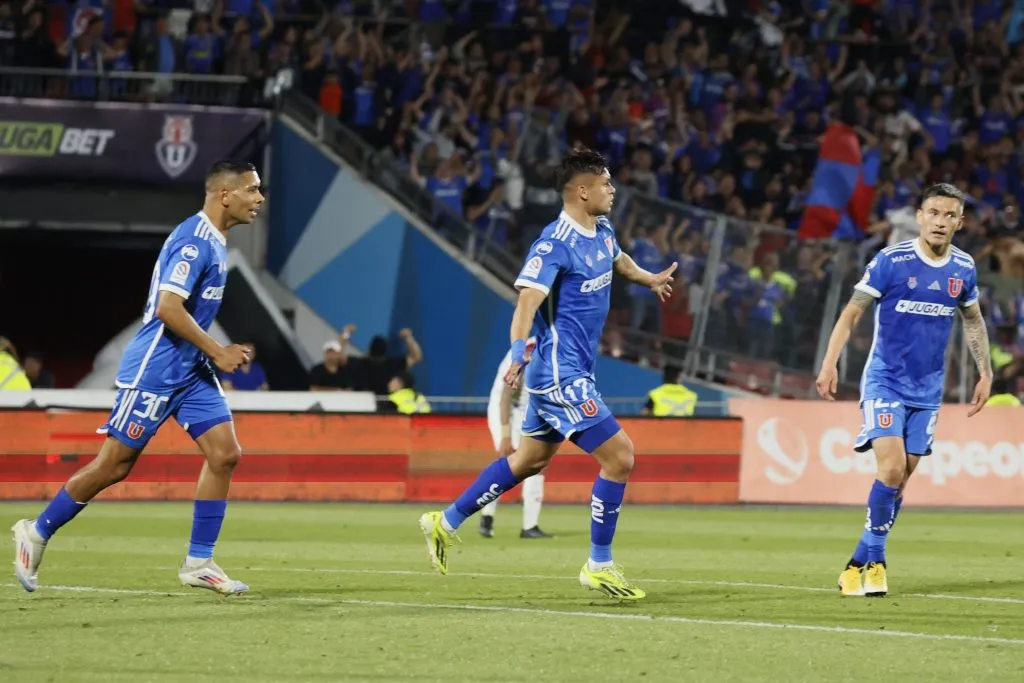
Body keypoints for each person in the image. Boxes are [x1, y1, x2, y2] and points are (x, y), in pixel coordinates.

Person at [418, 148, 678, 601]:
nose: (613, 191)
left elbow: (619, 261)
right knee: (620, 457)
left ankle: (445, 522)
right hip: (559, 373)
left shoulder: (602, 230)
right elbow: (525, 305)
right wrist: (518, 351)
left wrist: (649, 278)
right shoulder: (553, 243)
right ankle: (599, 565)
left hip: (572, 371)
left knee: (529, 461)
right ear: (583, 190)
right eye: (606, 184)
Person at [11, 160, 265, 595]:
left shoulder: (216, 241)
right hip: (155, 370)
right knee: (114, 465)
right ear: (226, 194)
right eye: (252, 189)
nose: (259, 198)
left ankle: (199, 561)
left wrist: (209, 355)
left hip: (190, 372)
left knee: (224, 454)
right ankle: (35, 532)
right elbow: (168, 307)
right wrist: (217, 350)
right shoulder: (193, 242)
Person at [816, 183, 991, 599]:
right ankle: (877, 562)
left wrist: (985, 371)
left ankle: (858, 561)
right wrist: (830, 361)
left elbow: (973, 320)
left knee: (901, 480)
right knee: (891, 468)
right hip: (885, 381)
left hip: (927, 390)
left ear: (960, 222)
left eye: (950, 215)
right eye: (934, 213)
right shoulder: (890, 261)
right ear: (920, 216)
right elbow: (851, 313)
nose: (941, 222)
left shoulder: (963, 268)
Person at [479, 337, 554, 540]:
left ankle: (530, 526)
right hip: (506, 408)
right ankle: (487, 514)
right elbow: (505, 397)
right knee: (509, 462)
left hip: (529, 409)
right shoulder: (529, 350)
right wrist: (505, 436)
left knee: (539, 462)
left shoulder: (559, 347)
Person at [309, 326, 356, 391]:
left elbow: (349, 389)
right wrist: (335, 391)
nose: (331, 355)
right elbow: (313, 389)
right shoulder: (317, 370)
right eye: (328, 352)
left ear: (338, 355)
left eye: (333, 353)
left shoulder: (344, 370)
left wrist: (346, 333)